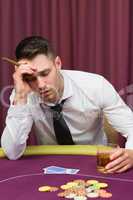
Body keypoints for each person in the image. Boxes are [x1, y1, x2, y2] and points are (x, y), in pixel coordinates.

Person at [1, 36, 133, 173]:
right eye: (31, 78)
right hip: (50, 165)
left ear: (57, 64)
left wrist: (132, 153)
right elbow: (12, 152)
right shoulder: (23, 93)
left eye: (45, 73)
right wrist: (20, 96)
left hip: (96, 163)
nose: (41, 85)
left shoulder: (96, 85)